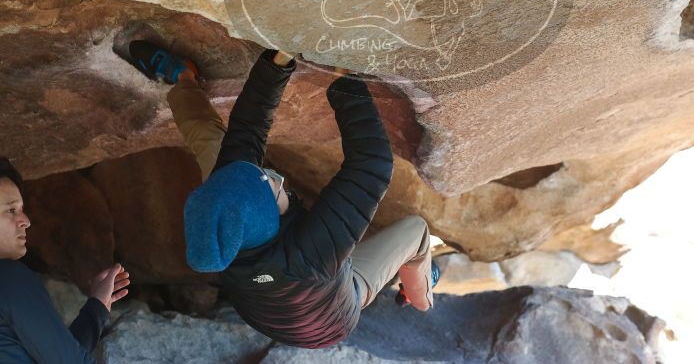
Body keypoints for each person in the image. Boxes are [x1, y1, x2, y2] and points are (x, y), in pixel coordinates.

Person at [128, 41, 438, 349]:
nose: (275, 177)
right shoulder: (311, 255)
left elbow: (248, 129)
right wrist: (345, 77)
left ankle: (183, 79)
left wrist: (278, 61)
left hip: (269, 311)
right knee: (417, 231)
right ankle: (420, 293)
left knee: (212, 144)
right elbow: (372, 164)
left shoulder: (223, 221)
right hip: (330, 319)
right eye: (273, 183)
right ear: (273, 215)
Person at [0, 158, 131, 363]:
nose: (25, 221)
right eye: (11, 210)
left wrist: (97, 308)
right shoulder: (10, 278)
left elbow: (58, 354)